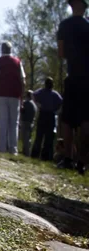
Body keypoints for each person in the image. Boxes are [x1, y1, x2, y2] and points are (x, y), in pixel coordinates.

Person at [56, 0, 89, 173]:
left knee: (67, 119)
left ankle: (68, 158)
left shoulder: (65, 25)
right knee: (85, 120)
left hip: (73, 75)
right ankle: (82, 162)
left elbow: (61, 53)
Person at [0, 41, 26, 154]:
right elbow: (23, 81)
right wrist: (22, 97)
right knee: (14, 123)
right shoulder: (18, 62)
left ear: (1, 50)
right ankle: (13, 149)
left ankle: (2, 148)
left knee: (3, 122)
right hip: (15, 95)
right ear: (11, 50)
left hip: (2, 94)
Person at [32, 78, 63, 160]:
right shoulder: (45, 92)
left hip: (48, 115)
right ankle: (39, 155)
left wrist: (57, 111)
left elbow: (62, 103)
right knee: (42, 136)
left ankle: (42, 155)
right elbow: (33, 95)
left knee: (45, 137)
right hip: (46, 115)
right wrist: (37, 104)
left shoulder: (53, 94)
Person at [19, 90, 37, 156]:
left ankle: (26, 153)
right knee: (28, 138)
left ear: (27, 95)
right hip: (31, 123)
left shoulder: (26, 103)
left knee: (25, 138)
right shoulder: (34, 104)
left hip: (25, 122)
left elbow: (22, 111)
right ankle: (26, 152)